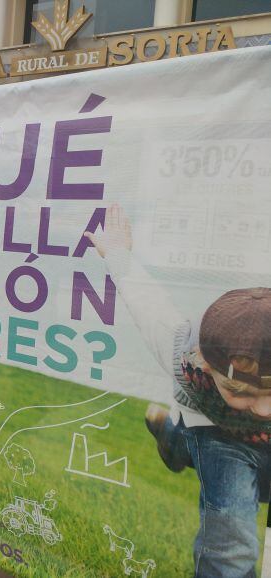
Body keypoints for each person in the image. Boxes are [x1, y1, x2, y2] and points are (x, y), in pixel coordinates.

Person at [87, 204, 271, 578]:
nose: (264, 409)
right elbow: (148, 305)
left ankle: (173, 439)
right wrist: (119, 253)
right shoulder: (185, 356)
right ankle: (178, 439)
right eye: (241, 393)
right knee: (231, 535)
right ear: (206, 364)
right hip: (223, 439)